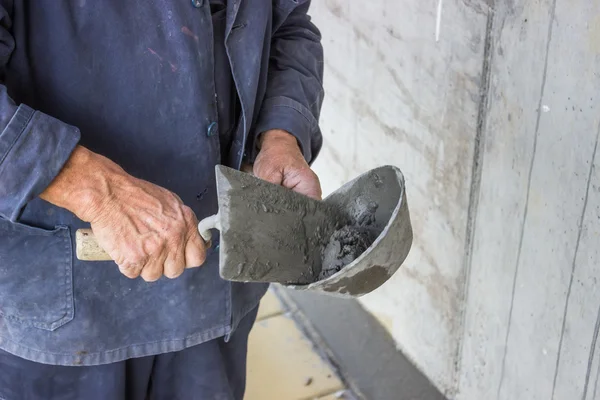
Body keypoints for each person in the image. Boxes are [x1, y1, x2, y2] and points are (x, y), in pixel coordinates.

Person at [0, 0, 324, 398]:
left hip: (214, 294)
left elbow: (288, 27)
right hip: (63, 316)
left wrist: (280, 134)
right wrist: (99, 193)